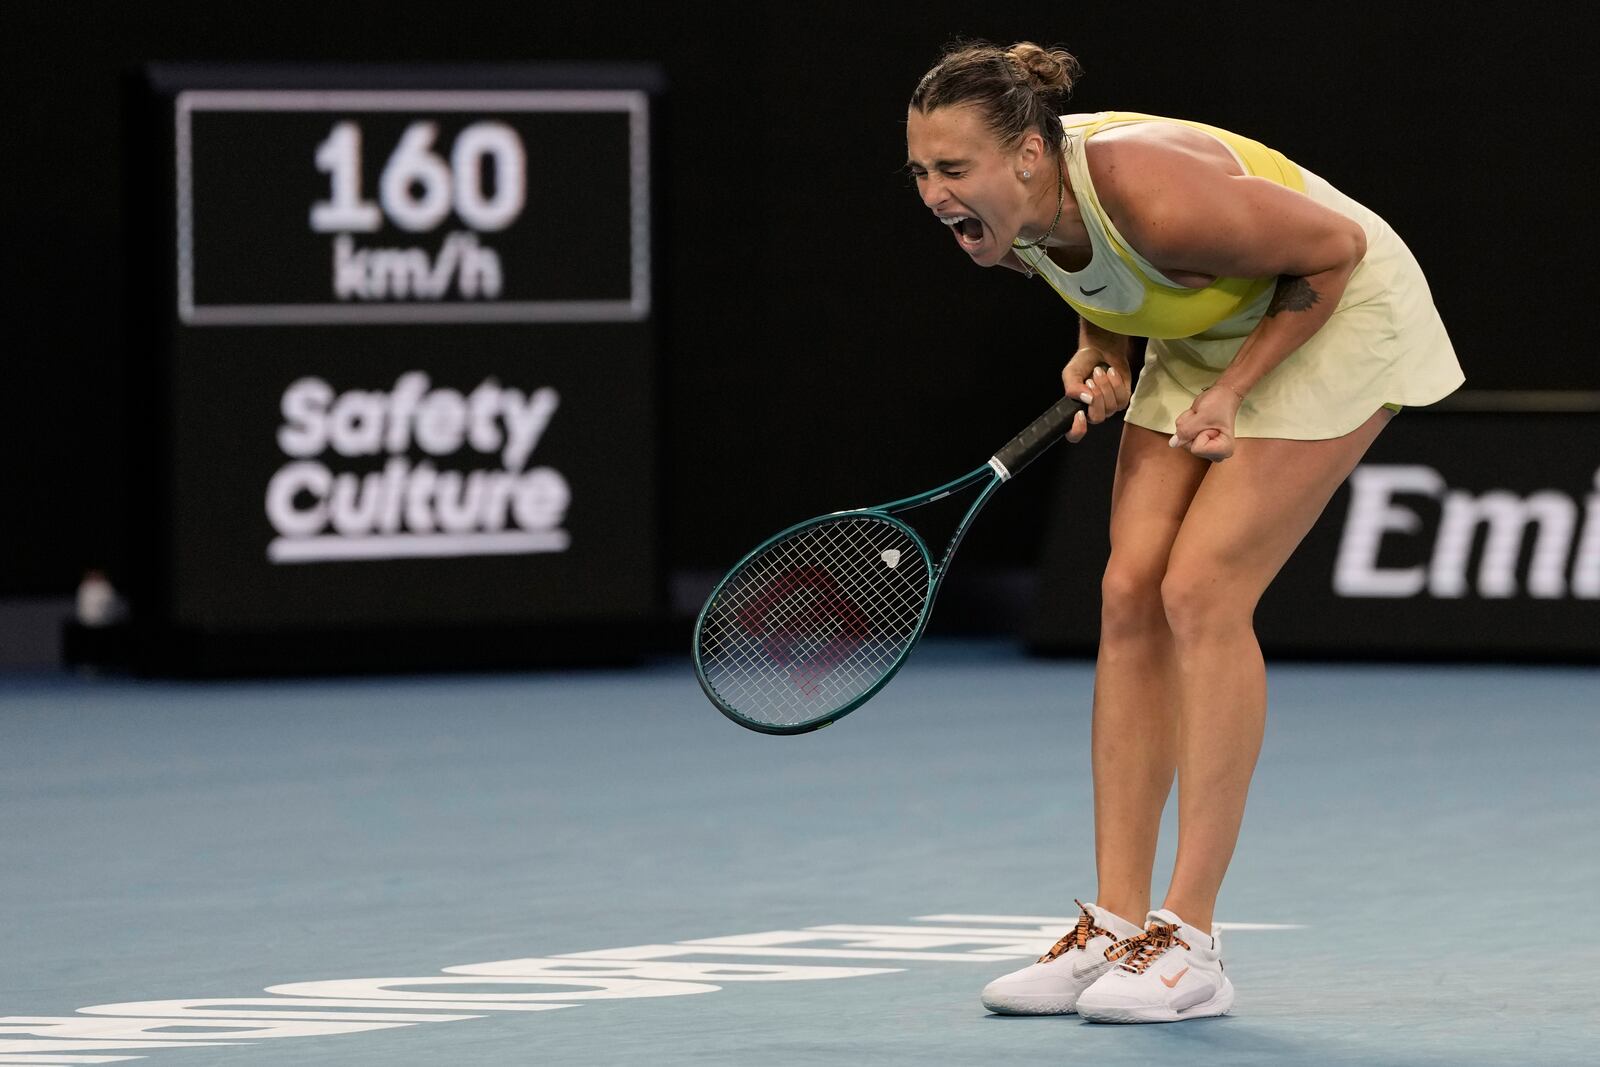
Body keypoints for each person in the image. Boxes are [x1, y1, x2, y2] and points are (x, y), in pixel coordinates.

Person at [905, 40, 1463, 1023]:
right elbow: (1096, 279)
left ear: (1029, 157)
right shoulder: (1010, 213)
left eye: (951, 170)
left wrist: (1234, 392)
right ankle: (1116, 923)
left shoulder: (1152, 194)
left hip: (1333, 307)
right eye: (919, 171)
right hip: (1215, 315)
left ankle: (1191, 940)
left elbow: (1334, 253)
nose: (933, 192)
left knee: (1200, 592)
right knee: (1124, 592)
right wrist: (1099, 345)